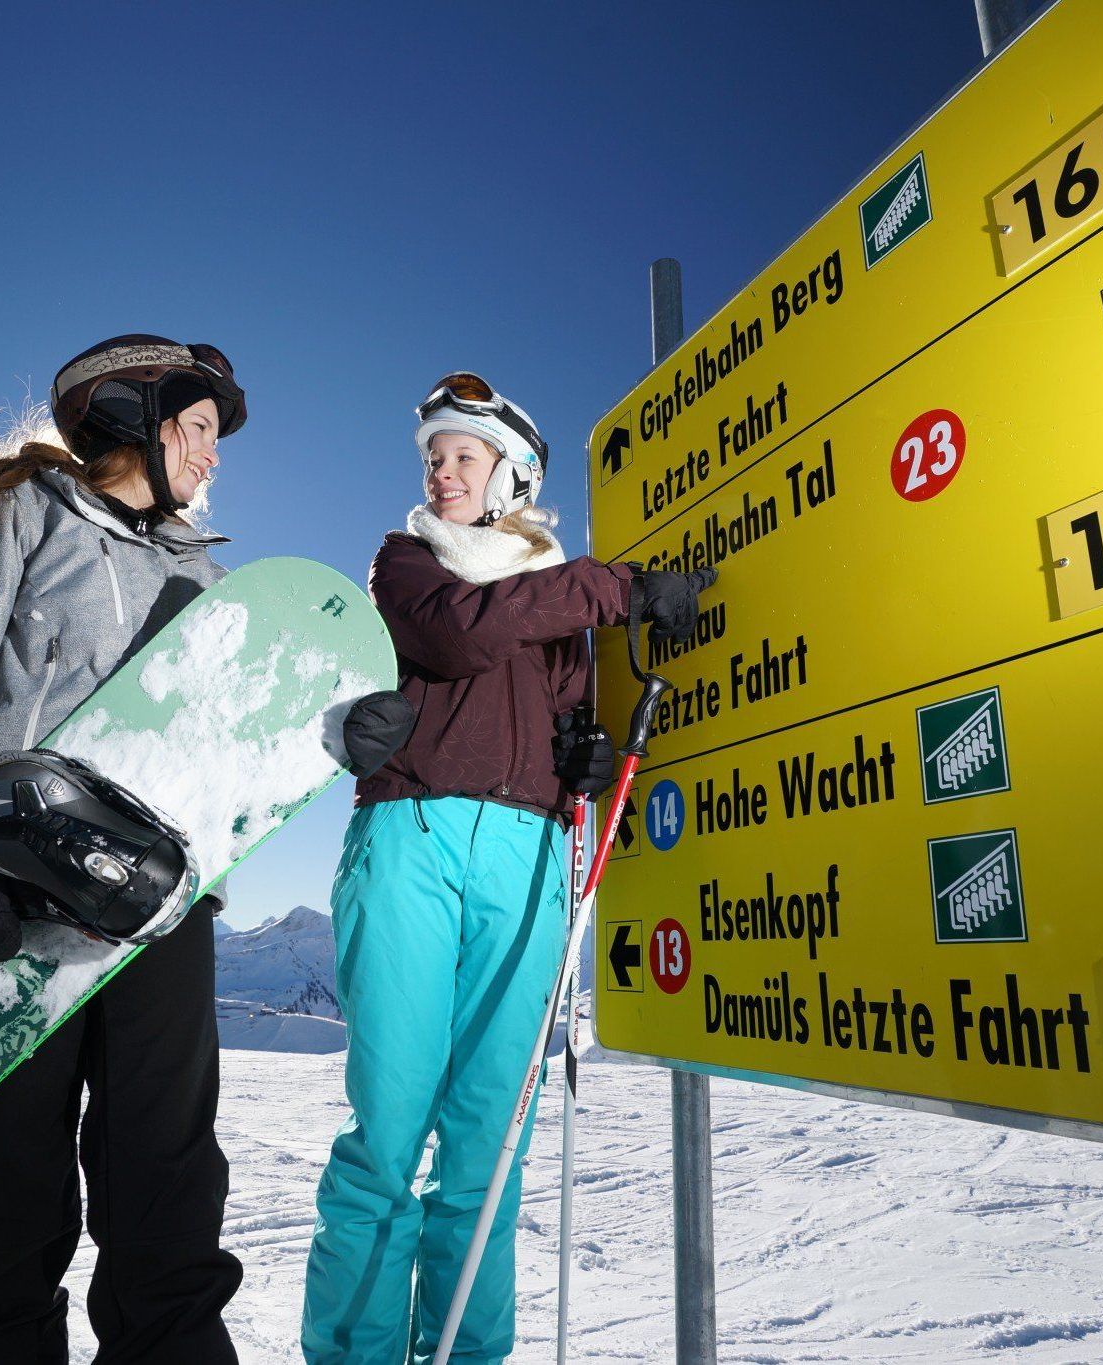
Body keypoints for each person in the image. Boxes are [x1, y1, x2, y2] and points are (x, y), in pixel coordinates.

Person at [301, 372, 713, 1363]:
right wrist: (609, 587)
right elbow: (460, 633)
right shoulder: (408, 565)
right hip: (412, 839)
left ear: (511, 476)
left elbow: (564, 705)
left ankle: (465, 1353)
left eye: (462, 456)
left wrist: (577, 754)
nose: (441, 472)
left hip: (530, 857)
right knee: (388, 1136)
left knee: (489, 1147)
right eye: (433, 457)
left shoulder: (553, 603)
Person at [0, 334, 249, 1364]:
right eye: (200, 428)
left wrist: (349, 729)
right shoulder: (16, 515)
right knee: (7, 1186)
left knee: (165, 1186)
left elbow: (233, 738)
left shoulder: (208, 577)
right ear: (134, 413)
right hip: (17, 900)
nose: (213, 457)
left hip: (156, 910)